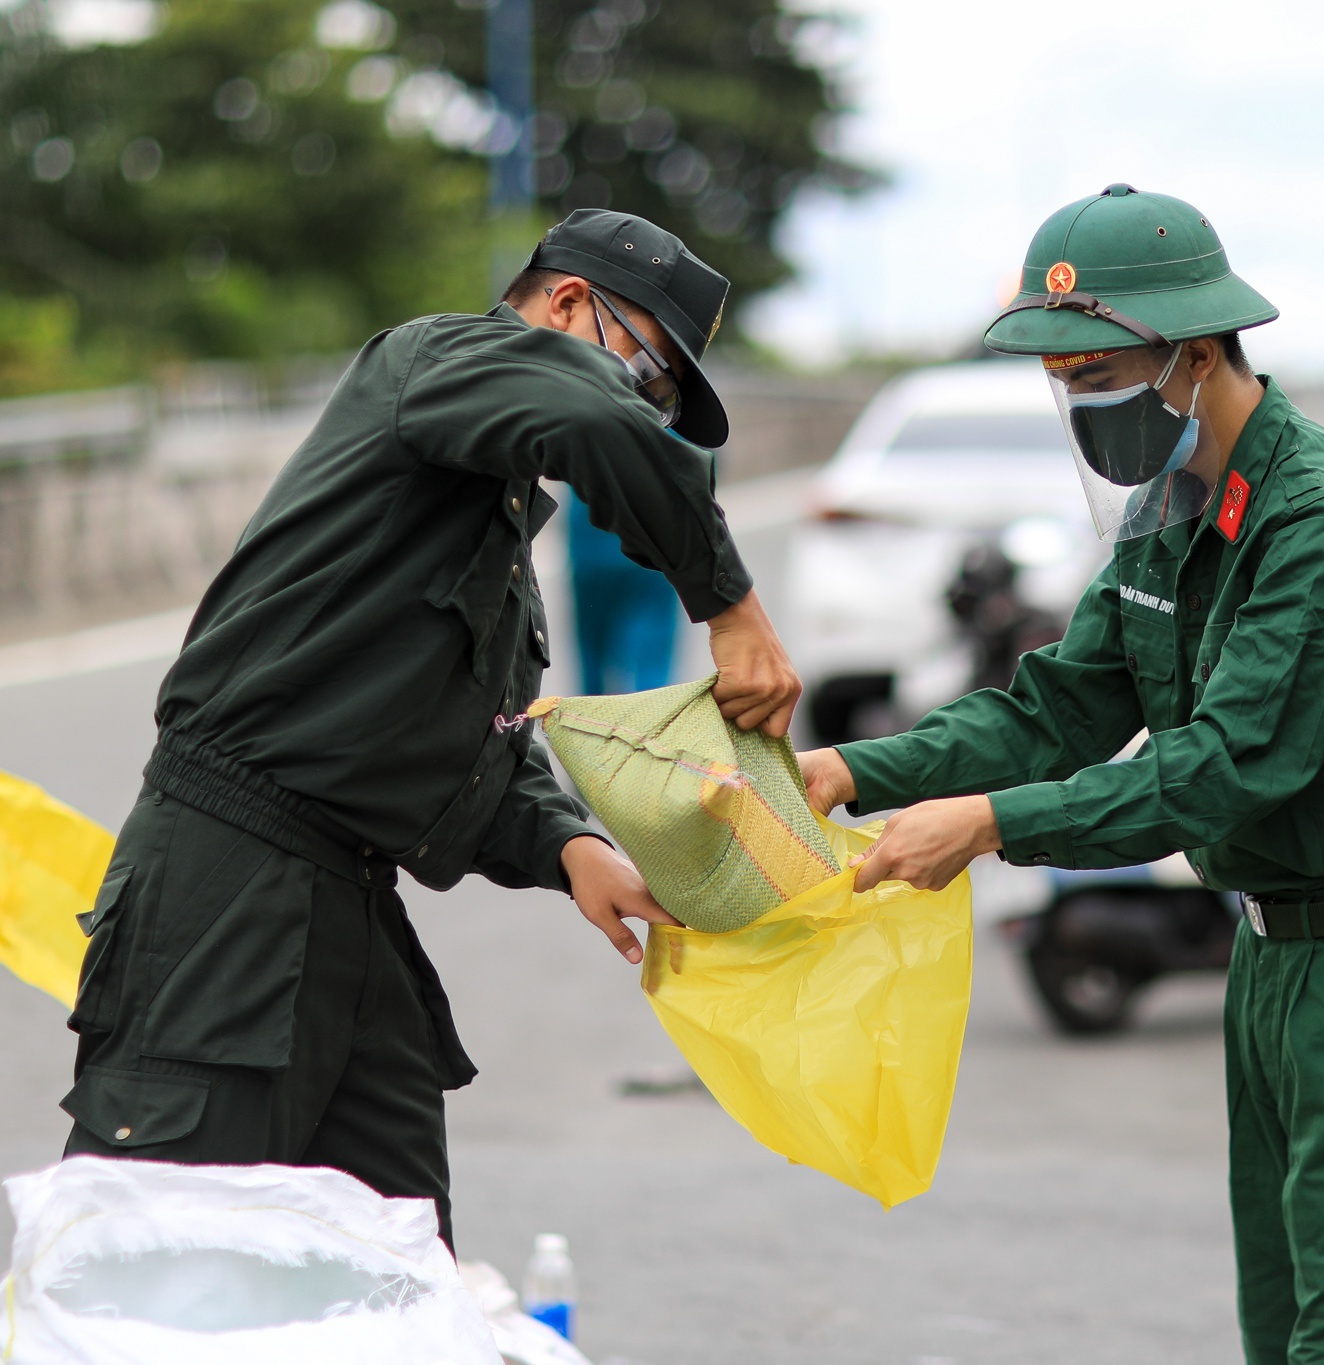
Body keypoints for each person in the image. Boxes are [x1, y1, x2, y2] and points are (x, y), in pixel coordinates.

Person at [800, 183, 1324, 1364]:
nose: (1081, 406)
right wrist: (847, 771)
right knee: (1282, 1333)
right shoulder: (1167, 510)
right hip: (1271, 961)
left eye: (1094, 376)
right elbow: (1058, 708)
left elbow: (1224, 769)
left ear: (1192, 352)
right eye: (1060, 382)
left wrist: (982, 827)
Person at [59, 209, 801, 1247]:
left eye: (662, 393)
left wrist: (569, 844)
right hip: (226, 891)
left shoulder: (486, 515)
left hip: (351, 902)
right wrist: (732, 610)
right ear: (567, 302)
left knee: (395, 1255)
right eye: (646, 372)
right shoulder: (432, 359)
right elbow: (595, 422)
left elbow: (470, 739)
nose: (644, 404)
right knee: (166, 1262)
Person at [567, 487, 682, 693]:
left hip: (591, 547)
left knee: (593, 654)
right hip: (652, 542)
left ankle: (589, 720)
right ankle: (654, 718)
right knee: (652, 656)